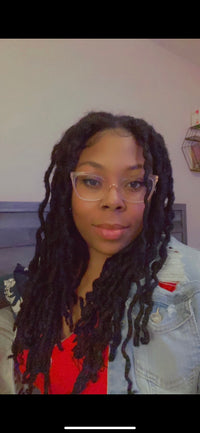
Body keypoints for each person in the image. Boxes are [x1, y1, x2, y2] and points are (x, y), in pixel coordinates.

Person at [1, 111, 200, 394]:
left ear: (153, 191)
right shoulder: (50, 276)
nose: (113, 200)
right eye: (92, 181)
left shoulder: (193, 286)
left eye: (134, 183)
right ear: (67, 190)